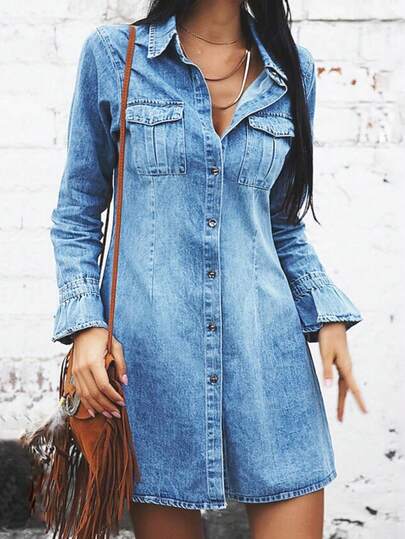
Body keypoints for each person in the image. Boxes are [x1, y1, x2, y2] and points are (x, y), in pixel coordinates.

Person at [49, 1, 368, 537]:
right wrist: (85, 325)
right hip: (151, 370)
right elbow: (78, 211)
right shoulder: (116, 56)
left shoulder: (292, 69)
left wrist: (328, 316)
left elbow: (281, 224)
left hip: (269, 360)